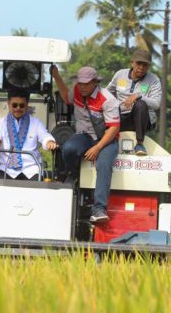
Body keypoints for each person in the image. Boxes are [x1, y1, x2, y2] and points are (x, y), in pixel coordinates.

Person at [51, 65, 120, 224]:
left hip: (107, 139)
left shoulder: (108, 99)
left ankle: (99, 209)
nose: (82, 87)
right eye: (80, 83)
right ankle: (73, 175)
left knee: (103, 164)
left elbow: (114, 128)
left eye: (86, 84)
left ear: (95, 82)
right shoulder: (76, 91)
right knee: (68, 149)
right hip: (85, 136)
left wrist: (97, 148)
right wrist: (56, 76)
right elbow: (65, 96)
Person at [0, 89, 57, 180]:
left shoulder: (36, 123)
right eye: (14, 105)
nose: (18, 108)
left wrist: (49, 142)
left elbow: (45, 136)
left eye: (22, 105)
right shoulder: (0, 123)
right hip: (6, 169)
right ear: (8, 104)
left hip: (31, 169)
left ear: (27, 105)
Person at [106, 48, 161, 156]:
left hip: (142, 119)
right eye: (138, 63)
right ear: (132, 63)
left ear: (148, 66)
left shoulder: (153, 80)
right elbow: (107, 92)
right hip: (121, 117)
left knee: (140, 104)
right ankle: (104, 142)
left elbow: (156, 104)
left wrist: (139, 96)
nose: (141, 67)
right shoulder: (120, 75)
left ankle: (140, 144)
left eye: (145, 65)